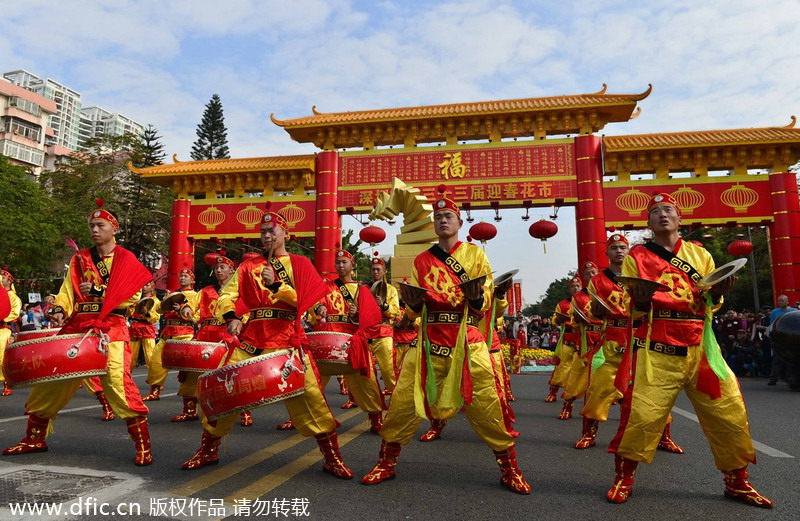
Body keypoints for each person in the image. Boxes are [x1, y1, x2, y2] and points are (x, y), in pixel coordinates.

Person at [606, 192, 772, 508]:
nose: (663, 215)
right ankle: (624, 478)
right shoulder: (637, 257)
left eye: (668, 210)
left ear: (680, 219)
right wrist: (640, 300)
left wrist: (719, 293)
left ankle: (738, 481)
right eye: (655, 212)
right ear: (649, 222)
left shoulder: (700, 254)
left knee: (729, 412)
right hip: (658, 348)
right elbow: (631, 307)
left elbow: (710, 299)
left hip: (701, 347)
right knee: (641, 416)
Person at [361, 187, 529, 494]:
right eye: (437, 217)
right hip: (427, 342)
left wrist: (477, 295)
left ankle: (510, 469)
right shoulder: (422, 260)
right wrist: (412, 302)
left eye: (447, 216)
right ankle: (385, 463)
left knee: (487, 408)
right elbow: (411, 311)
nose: (442, 221)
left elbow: (484, 303)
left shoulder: (476, 254)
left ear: (459, 222)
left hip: (467, 342)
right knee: (401, 406)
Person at [181, 209, 353, 479]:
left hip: (287, 340)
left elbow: (310, 304)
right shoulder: (248, 266)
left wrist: (277, 287)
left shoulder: (300, 264)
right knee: (223, 391)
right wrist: (231, 317)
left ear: (286, 233)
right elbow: (227, 295)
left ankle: (332, 457)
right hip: (251, 339)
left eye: (272, 231)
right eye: (262, 232)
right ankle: (208, 449)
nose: (267, 235)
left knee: (310, 398)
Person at [3, 200, 153, 465]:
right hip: (78, 327)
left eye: (100, 225)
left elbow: (132, 295)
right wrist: (59, 307)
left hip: (111, 329)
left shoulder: (125, 258)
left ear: (114, 229)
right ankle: (34, 437)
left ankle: (143, 444)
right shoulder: (80, 258)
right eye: (92, 226)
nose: (95, 230)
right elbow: (68, 291)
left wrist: (98, 292)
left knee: (119, 385)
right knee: (51, 382)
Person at [574, 233, 682, 453]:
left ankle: (664, 436)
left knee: (654, 391)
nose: (619, 251)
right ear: (607, 253)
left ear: (629, 250)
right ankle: (588, 434)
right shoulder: (597, 281)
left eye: (623, 247)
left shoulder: (642, 274)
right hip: (613, 341)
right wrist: (597, 313)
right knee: (598, 389)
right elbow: (592, 314)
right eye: (614, 248)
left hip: (641, 337)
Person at [307, 249, 385, 434]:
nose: (340, 265)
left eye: (344, 262)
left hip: (350, 340)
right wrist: (319, 308)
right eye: (338, 262)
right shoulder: (326, 286)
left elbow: (372, 318)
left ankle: (376, 418)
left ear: (353, 265)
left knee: (367, 381)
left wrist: (356, 314)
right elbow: (313, 302)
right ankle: (302, 417)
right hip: (326, 338)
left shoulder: (361, 289)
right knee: (312, 382)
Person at [172, 250, 252, 426]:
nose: (218, 271)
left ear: (232, 270)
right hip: (206, 333)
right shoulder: (206, 290)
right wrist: (186, 309)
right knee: (192, 370)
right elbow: (190, 306)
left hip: (227, 334)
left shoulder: (239, 291)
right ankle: (189, 410)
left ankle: (243, 411)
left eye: (222, 267)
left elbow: (246, 312)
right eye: (216, 268)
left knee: (231, 373)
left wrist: (239, 323)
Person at [143, 265, 197, 401]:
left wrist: (182, 308)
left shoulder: (195, 295)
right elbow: (160, 311)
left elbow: (196, 316)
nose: (182, 278)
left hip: (185, 333)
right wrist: (166, 301)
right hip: (167, 332)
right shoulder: (174, 293)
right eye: (181, 276)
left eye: (185, 276)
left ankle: (189, 400)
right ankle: (155, 390)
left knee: (187, 366)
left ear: (192, 280)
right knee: (156, 361)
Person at [559, 261, 602, 420]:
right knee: (578, 375)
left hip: (607, 338)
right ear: (583, 277)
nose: (591, 276)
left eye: (593, 272)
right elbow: (572, 319)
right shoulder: (578, 297)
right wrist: (577, 319)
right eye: (587, 274)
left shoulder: (607, 291)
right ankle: (568, 404)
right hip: (585, 339)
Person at [365, 255, 401, 395]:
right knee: (363, 369)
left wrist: (383, 305)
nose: (375, 272)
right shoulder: (364, 288)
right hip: (366, 332)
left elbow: (394, 312)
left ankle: (397, 397)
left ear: (384, 271)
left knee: (388, 369)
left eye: (378, 269)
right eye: (373, 269)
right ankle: (367, 399)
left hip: (383, 331)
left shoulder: (391, 289)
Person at [545, 276, 582, 402]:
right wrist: (559, 319)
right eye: (573, 286)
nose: (575, 288)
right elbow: (554, 321)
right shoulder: (563, 304)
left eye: (578, 286)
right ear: (569, 289)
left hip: (584, 341)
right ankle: (553, 392)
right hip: (568, 340)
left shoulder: (588, 301)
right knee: (562, 367)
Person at [128, 280, 160, 372]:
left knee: (150, 355)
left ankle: (154, 379)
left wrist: (147, 313)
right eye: (143, 285)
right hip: (135, 327)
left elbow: (156, 317)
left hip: (147, 327)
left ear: (152, 287)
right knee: (131, 354)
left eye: (147, 285)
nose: (144, 287)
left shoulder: (155, 300)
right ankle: (126, 377)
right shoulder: (136, 298)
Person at [0, 267, 22, 396]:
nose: (1, 280)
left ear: (9, 281)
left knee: (3, 357)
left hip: (3, 329)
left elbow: (14, 313)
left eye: (4, 278)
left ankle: (7, 383)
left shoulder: (13, 297)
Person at [767, 295, 796, 385]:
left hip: (790, 339)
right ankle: (773, 379)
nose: (780, 302)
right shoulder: (775, 312)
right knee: (777, 359)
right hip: (779, 339)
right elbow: (772, 324)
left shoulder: (794, 311)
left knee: (790, 360)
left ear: (787, 301)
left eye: (782, 301)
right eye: (779, 301)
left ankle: (789, 378)